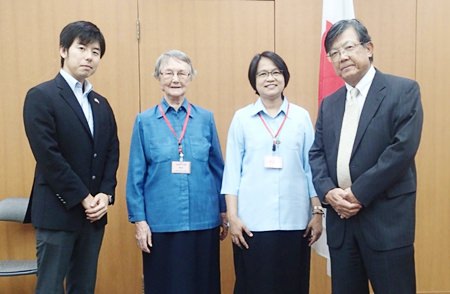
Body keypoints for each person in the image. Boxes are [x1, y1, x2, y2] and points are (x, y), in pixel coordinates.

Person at [309, 19, 423, 294]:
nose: (342, 57)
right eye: (334, 53)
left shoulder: (403, 91)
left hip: (386, 221)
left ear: (369, 48)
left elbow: (401, 150)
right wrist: (328, 193)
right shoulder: (330, 104)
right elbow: (317, 154)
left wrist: (358, 194)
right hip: (342, 222)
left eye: (348, 47)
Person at [23, 21, 119, 293]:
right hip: (57, 212)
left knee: (84, 287)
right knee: (50, 287)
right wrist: (83, 197)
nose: (89, 56)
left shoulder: (101, 103)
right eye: (82, 48)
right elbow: (48, 156)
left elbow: (112, 150)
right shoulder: (41, 96)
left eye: (96, 52)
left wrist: (104, 193)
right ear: (64, 50)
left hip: (94, 216)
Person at [126, 49, 228, 294]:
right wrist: (139, 221)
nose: (175, 79)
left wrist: (224, 210)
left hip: (204, 219)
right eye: (168, 72)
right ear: (158, 78)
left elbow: (217, 169)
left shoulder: (205, 118)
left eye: (182, 73)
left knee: (203, 285)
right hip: (161, 223)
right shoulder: (144, 121)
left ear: (190, 77)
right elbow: (135, 176)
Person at [221, 51, 323, 294]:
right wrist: (232, 218)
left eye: (276, 72)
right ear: (254, 81)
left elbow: (312, 168)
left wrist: (318, 212)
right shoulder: (242, 118)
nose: (270, 78)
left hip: (295, 221)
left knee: (293, 285)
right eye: (263, 73)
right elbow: (232, 171)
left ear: (285, 77)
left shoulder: (301, 117)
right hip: (252, 223)